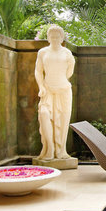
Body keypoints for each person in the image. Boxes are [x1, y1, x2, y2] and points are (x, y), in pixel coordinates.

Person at [35, 25, 75, 161]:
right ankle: (49, 149)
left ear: (62, 38)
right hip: (47, 90)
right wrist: (41, 86)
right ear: (48, 38)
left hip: (63, 91)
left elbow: (69, 72)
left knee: (62, 122)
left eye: (57, 37)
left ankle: (61, 150)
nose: (54, 39)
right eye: (52, 36)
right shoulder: (43, 52)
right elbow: (38, 71)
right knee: (44, 114)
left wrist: (60, 80)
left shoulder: (67, 53)